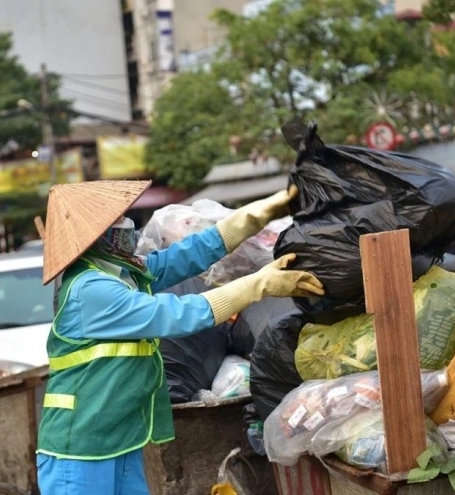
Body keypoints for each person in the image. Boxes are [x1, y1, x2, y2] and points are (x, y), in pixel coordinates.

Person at [34, 180, 323, 495]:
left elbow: (188, 255)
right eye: (118, 219)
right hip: (78, 450)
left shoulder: (123, 273)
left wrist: (258, 214)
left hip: (117, 440)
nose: (127, 224)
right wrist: (258, 285)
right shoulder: (91, 290)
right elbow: (179, 314)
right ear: (97, 234)